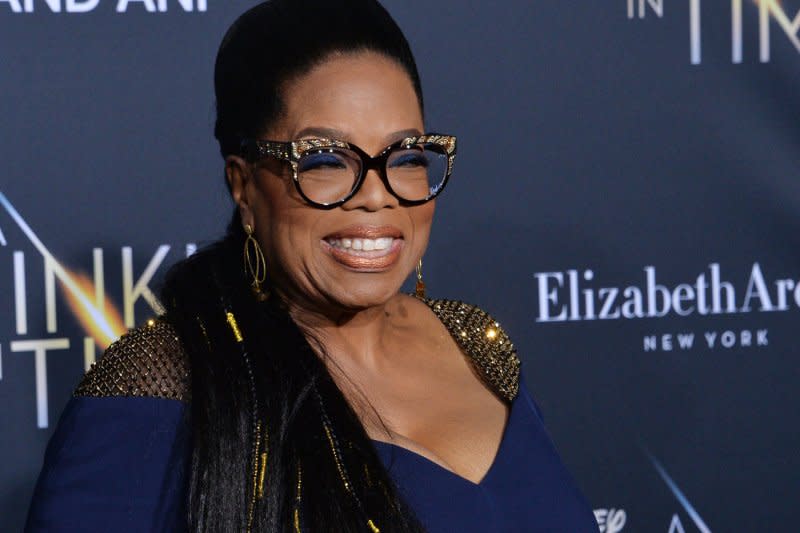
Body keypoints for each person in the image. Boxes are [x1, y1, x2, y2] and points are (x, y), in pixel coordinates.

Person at [24, 1, 598, 531]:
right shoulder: (162, 387)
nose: (377, 196)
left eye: (405, 156)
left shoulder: (477, 345)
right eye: (324, 160)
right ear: (243, 185)